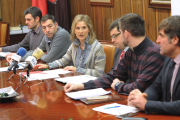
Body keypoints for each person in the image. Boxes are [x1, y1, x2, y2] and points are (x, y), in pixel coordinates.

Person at [64, 13, 165, 95]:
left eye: (119, 33)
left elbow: (138, 87)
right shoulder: (130, 51)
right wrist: (81, 86)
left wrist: (118, 86)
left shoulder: (154, 53)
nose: (113, 40)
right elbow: (113, 76)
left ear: (126, 34)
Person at [127, 16, 180, 115]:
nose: (157, 40)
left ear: (174, 39)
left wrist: (147, 105)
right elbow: (157, 86)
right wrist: (142, 98)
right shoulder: (169, 59)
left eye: (161, 36)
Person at [33, 14, 106, 77]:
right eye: (77, 28)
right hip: (77, 80)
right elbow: (64, 60)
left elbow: (99, 73)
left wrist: (77, 70)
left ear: (89, 29)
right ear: (74, 30)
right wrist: (48, 66)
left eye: (84, 28)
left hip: (92, 84)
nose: (80, 31)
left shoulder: (97, 47)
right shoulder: (74, 44)